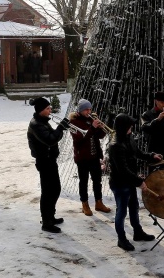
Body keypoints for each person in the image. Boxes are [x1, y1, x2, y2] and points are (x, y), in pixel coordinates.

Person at [108, 113, 162, 251]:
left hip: (130, 181)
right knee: (121, 212)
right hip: (120, 184)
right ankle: (121, 239)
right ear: (122, 127)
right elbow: (123, 171)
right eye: (129, 125)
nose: (131, 127)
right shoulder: (115, 146)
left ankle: (138, 232)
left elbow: (136, 152)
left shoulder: (128, 137)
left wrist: (151, 155)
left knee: (134, 207)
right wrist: (139, 182)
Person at [27, 97, 70, 233]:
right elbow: (50, 140)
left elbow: (52, 135)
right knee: (48, 192)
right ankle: (46, 222)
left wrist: (60, 128)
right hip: (44, 162)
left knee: (55, 189)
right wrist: (61, 128)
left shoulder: (43, 122)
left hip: (50, 160)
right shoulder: (36, 124)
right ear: (40, 110)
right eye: (47, 108)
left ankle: (50, 216)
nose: (50, 110)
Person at [69, 99, 111, 216]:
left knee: (97, 180)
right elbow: (79, 138)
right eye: (86, 109)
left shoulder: (90, 119)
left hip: (94, 156)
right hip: (82, 157)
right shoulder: (74, 122)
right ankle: (85, 204)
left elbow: (100, 136)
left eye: (90, 109)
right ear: (81, 110)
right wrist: (92, 128)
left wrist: (100, 127)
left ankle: (99, 202)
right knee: (84, 181)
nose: (89, 111)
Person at [141, 91, 164, 160]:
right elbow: (145, 128)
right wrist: (157, 119)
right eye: (162, 102)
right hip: (154, 148)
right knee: (155, 170)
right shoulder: (146, 114)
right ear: (156, 101)